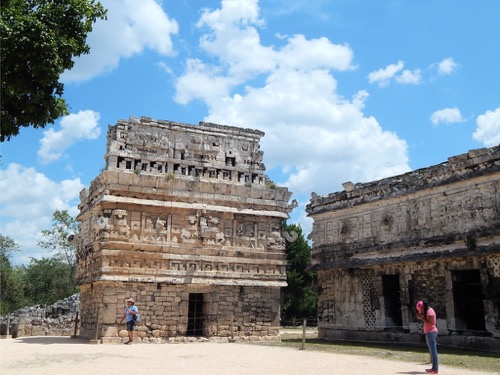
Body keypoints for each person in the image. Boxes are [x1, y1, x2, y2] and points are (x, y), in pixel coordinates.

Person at [416, 300, 438, 374]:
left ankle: (435, 369)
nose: (421, 310)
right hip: (428, 332)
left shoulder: (430, 313)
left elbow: (430, 323)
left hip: (431, 332)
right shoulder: (427, 311)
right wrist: (421, 316)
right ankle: (433, 368)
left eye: (421, 309)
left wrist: (422, 318)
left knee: (433, 351)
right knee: (431, 351)